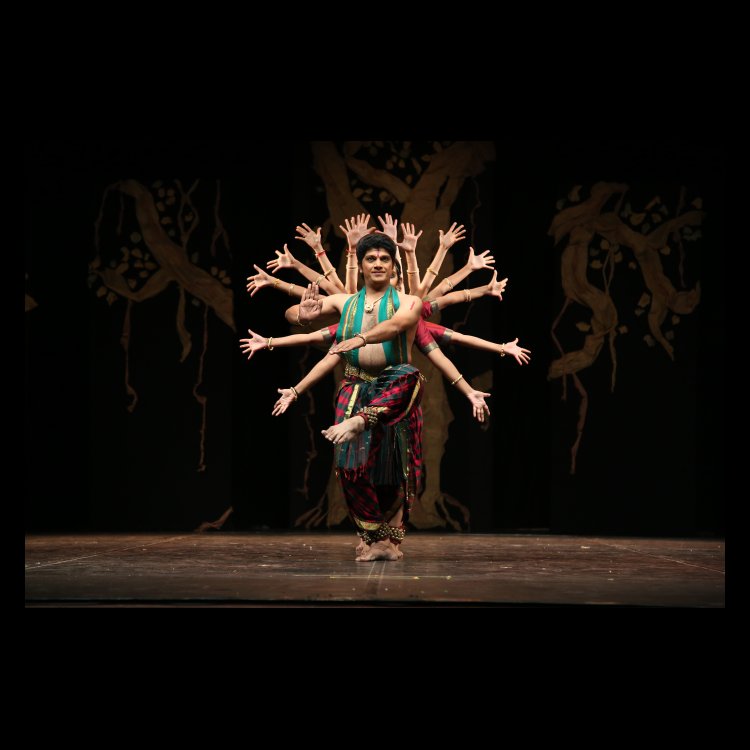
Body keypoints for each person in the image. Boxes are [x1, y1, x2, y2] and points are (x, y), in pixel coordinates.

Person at [269, 232, 425, 561]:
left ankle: (391, 542)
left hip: (393, 389)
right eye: (371, 258)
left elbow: (398, 325)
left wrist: (363, 338)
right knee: (351, 466)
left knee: (401, 464)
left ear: (393, 266)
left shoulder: (409, 302)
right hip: (355, 387)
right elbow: (291, 313)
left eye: (384, 258)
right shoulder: (345, 302)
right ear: (362, 265)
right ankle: (373, 539)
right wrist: (301, 315)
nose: (378, 264)